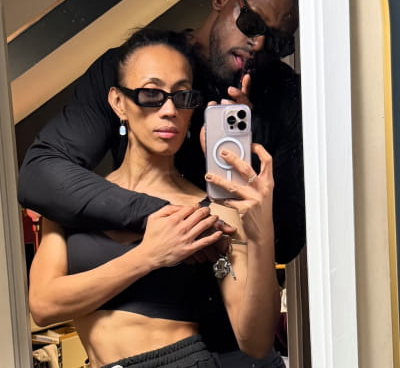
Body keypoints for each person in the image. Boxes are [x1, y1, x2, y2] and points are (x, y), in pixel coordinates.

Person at [17, 0, 304, 265]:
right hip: (143, 268)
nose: (258, 44)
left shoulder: (285, 98)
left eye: (277, 42)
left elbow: (286, 242)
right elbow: (39, 174)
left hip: (224, 283)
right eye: (252, 24)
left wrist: (248, 160)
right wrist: (169, 217)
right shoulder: (132, 69)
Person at [29, 28, 282, 368]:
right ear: (118, 102)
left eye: (182, 96)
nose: (169, 110)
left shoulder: (211, 211)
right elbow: (43, 306)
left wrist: (261, 232)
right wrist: (149, 255)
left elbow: (255, 341)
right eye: (151, 94)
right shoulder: (70, 198)